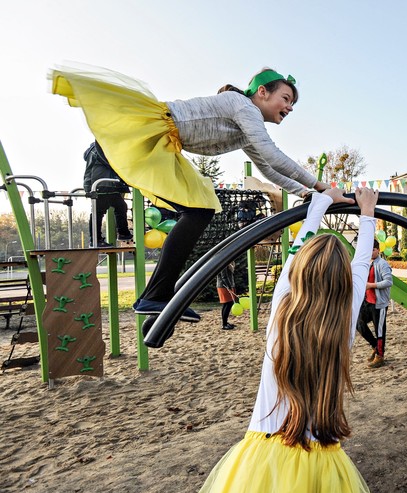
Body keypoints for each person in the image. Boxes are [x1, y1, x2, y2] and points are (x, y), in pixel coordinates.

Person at [52, 65, 330, 324]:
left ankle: (155, 297)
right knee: (198, 210)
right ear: (262, 92)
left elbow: (269, 169)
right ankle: (156, 295)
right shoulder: (244, 107)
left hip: (166, 142)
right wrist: (322, 187)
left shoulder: (248, 127)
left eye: (292, 103)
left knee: (199, 210)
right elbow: (273, 155)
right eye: (286, 98)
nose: (290, 107)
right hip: (155, 130)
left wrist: (304, 192)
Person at [188, 187, 376, 493]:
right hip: (322, 459)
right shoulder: (343, 325)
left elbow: (298, 249)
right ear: (345, 285)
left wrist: (321, 202)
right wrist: (368, 211)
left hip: (265, 453)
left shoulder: (281, 314)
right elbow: (361, 261)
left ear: (298, 275)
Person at [83, 141, 134, 247]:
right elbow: (111, 162)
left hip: (106, 184)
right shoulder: (99, 149)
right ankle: (96, 240)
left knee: (120, 206)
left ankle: (123, 233)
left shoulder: (97, 149)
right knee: (100, 211)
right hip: (103, 184)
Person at [357, 239, 393, 368]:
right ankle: (374, 346)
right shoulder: (366, 263)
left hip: (379, 303)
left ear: (378, 250)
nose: (371, 252)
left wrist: (371, 285)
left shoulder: (382, 264)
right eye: (369, 250)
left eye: (373, 249)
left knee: (380, 330)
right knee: (358, 323)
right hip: (367, 301)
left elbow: (389, 282)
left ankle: (380, 356)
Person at [216, 262, 236, 330]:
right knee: (228, 304)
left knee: (227, 304)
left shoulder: (228, 264)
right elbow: (224, 276)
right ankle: (224, 324)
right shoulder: (223, 263)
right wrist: (229, 286)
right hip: (224, 286)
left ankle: (225, 323)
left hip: (227, 285)